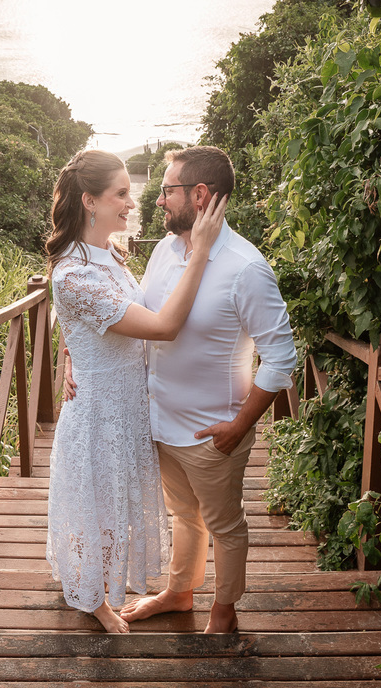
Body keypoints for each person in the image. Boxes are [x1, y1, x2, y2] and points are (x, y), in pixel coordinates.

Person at [68, 145, 296, 634]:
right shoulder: (163, 251)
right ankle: (179, 592)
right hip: (158, 420)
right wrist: (73, 354)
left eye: (166, 190)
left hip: (214, 429)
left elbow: (281, 359)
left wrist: (240, 425)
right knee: (183, 516)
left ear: (199, 194)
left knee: (225, 526)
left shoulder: (245, 267)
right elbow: (130, 318)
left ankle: (224, 611)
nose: (156, 201)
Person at [43, 149, 227, 634]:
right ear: (90, 201)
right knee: (98, 505)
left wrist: (69, 350)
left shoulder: (110, 254)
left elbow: (85, 320)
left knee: (115, 502)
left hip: (129, 405)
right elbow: (163, 326)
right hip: (100, 412)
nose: (133, 202)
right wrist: (203, 250)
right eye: (121, 194)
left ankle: (99, 586)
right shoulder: (75, 272)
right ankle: (94, 599)